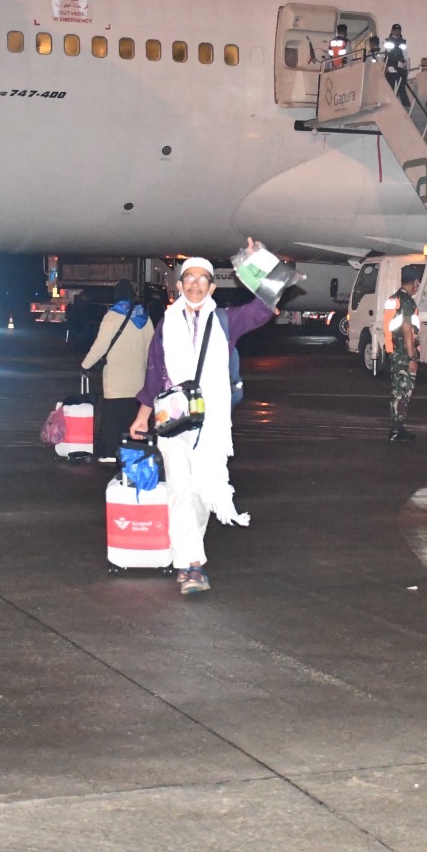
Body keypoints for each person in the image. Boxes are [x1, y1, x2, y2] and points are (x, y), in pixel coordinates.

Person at [129, 248, 277, 596]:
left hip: (210, 426)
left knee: (201, 495)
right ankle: (191, 565)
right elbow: (155, 373)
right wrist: (141, 416)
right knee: (180, 491)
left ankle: (187, 553)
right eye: (189, 278)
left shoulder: (226, 321)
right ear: (179, 285)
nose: (195, 285)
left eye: (203, 279)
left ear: (212, 287)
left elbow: (266, 305)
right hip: (173, 424)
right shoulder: (167, 324)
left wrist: (257, 266)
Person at [81, 280, 155, 464]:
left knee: (112, 415)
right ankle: (134, 449)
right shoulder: (144, 317)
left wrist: (85, 365)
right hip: (138, 379)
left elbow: (100, 346)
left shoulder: (112, 316)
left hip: (116, 378)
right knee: (133, 414)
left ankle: (109, 452)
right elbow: (152, 348)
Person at [385, 264, 421, 441]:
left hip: (394, 352)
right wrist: (412, 356)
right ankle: (396, 430)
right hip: (403, 354)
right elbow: (407, 330)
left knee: (397, 389)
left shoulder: (393, 298)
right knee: (403, 391)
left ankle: (397, 427)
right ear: (415, 282)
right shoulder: (406, 301)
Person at [383, 24, 410, 106]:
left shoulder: (404, 42)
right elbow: (383, 55)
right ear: (392, 31)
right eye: (395, 30)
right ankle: (390, 105)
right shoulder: (386, 41)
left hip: (400, 68)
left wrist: (406, 68)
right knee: (390, 88)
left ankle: (406, 106)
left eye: (399, 30)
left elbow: (406, 56)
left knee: (401, 88)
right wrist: (384, 67)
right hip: (390, 67)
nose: (397, 31)